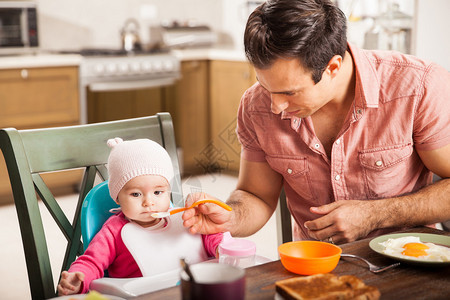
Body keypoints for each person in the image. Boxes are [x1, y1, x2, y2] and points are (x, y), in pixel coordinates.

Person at [182, 0, 450, 245]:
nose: (276, 106)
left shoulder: (418, 87)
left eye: (289, 92)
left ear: (332, 68)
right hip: (314, 268)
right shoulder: (257, 106)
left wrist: (374, 215)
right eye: (265, 86)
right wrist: (231, 218)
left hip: (408, 261)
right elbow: (257, 196)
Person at [57, 138, 223, 295]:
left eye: (158, 192)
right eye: (136, 194)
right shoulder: (113, 232)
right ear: (117, 197)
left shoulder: (184, 219)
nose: (148, 202)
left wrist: (220, 249)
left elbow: (209, 237)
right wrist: (77, 277)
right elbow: (91, 262)